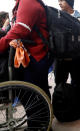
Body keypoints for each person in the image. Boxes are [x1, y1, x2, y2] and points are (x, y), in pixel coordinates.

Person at [0, 0, 52, 130]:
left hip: (35, 55)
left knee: (32, 94)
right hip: (33, 54)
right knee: (37, 92)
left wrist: (1, 44)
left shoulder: (28, 1)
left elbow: (21, 29)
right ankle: (43, 124)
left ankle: (38, 126)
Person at [56, 0, 80, 117]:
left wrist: (73, 50)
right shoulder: (57, 16)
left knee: (78, 84)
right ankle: (60, 109)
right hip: (60, 59)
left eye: (61, 0)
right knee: (59, 83)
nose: (59, 2)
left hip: (76, 58)